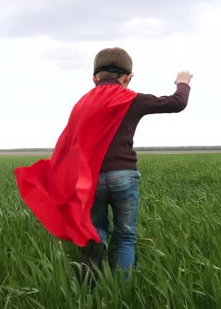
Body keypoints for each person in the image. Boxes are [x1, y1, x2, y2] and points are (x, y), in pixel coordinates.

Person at [79, 47, 192, 280]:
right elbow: (177, 103)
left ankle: (89, 280)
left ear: (93, 79)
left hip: (94, 177)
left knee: (97, 229)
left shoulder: (84, 103)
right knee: (125, 236)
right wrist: (183, 83)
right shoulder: (132, 99)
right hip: (124, 175)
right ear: (128, 78)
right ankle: (121, 293)